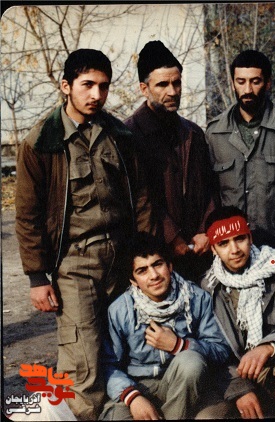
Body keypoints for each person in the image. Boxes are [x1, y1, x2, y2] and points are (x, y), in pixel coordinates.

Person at [15, 49, 152, 420]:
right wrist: (37, 277)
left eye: (103, 87)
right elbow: (27, 215)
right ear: (66, 86)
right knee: (83, 364)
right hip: (75, 266)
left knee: (129, 350)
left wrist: (144, 255)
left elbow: (141, 198)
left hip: (122, 261)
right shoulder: (41, 142)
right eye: (87, 85)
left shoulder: (120, 136)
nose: (96, 95)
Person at [200, 206, 275, 418]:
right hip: (234, 376)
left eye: (240, 239)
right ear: (213, 249)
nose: (234, 249)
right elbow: (212, 353)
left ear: (250, 238)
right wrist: (240, 389)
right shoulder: (208, 289)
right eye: (224, 243)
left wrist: (268, 346)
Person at [100, 233, 230, 420]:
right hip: (140, 386)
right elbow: (109, 365)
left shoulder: (196, 298)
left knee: (191, 363)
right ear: (133, 281)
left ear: (169, 266)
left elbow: (221, 350)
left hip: (189, 386)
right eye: (142, 271)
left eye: (158, 264)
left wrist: (180, 345)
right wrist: (133, 397)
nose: (154, 276)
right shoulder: (120, 310)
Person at [125, 40, 218, 281]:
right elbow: (138, 198)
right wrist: (171, 237)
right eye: (162, 85)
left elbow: (209, 188)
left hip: (199, 252)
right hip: (154, 260)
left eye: (176, 83)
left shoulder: (193, 133)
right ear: (144, 88)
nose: (173, 91)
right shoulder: (128, 136)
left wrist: (206, 230)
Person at [206, 50, 275, 252]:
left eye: (255, 82)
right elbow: (211, 196)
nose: (247, 89)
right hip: (232, 250)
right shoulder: (215, 133)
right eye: (241, 82)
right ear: (232, 83)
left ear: (268, 83)